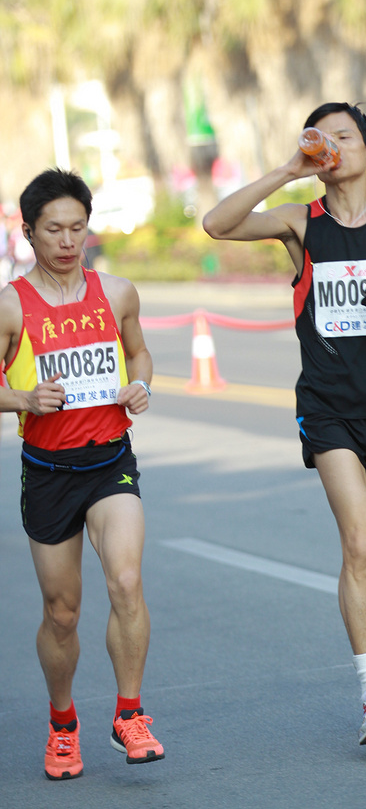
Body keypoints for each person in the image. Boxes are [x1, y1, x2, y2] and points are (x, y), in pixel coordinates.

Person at [203, 102, 366, 745]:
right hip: (329, 409)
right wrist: (288, 169)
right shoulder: (301, 223)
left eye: (346, 137)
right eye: (322, 139)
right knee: (361, 546)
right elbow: (217, 224)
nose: (334, 148)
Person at [0, 169, 164, 780]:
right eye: (53, 230)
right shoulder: (11, 305)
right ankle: (63, 723)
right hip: (46, 471)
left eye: (77, 228)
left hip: (109, 462)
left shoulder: (117, 291)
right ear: (30, 233)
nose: (67, 241)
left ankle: (129, 713)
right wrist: (23, 401)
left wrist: (141, 383)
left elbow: (139, 348)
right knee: (61, 612)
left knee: (126, 580)